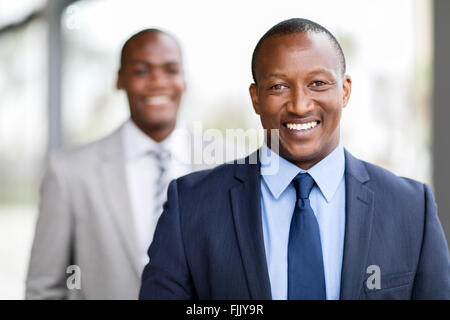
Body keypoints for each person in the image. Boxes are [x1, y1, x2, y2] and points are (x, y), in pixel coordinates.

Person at [139, 18, 450, 300]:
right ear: (256, 98)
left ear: (344, 90)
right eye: (278, 86)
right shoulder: (191, 205)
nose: (300, 106)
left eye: (318, 83)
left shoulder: (411, 207)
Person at [26, 28, 193, 299]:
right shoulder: (69, 172)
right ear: (119, 80)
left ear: (184, 79)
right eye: (141, 71)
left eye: (170, 70)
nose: (158, 82)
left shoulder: (230, 164)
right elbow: (44, 288)